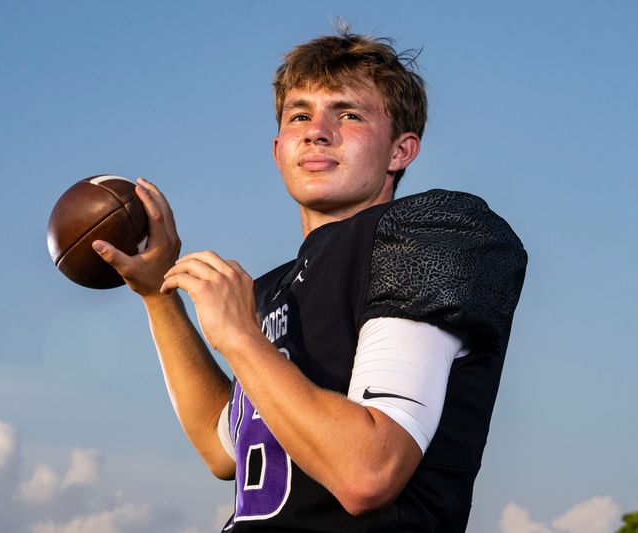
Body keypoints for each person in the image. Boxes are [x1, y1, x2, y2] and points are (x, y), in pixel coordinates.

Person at [92, 30, 527, 532]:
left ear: (400, 151)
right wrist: (156, 296)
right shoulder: (274, 290)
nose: (317, 132)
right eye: (300, 116)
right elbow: (220, 445)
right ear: (278, 150)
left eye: (349, 115)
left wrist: (238, 337)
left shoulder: (426, 232)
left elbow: (368, 472)